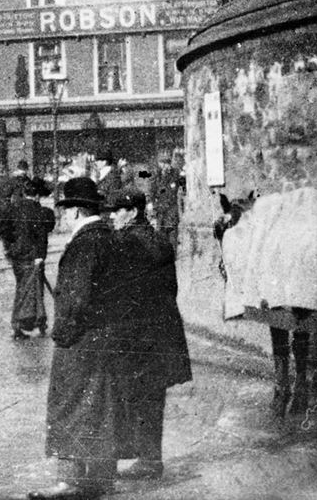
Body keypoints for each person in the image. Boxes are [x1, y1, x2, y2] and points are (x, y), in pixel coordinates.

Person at [29, 177, 118, 500]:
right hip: (105, 337)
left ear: (78, 212)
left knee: (69, 403)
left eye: (66, 212)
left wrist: (62, 334)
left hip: (80, 341)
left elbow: (76, 299)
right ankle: (100, 477)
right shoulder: (110, 238)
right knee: (100, 405)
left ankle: (68, 480)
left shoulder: (84, 244)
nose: (64, 218)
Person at [105, 189, 192, 480]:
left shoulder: (125, 242)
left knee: (132, 395)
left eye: (117, 210)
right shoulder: (159, 240)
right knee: (152, 397)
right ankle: (150, 457)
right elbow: (171, 287)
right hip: (163, 330)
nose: (112, 215)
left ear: (131, 212)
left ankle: (144, 459)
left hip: (137, 333)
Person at [0, 177, 56, 340]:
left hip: (17, 255)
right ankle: (29, 320)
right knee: (33, 289)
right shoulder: (39, 211)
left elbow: (2, 227)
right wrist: (40, 256)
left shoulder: (13, 209)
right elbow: (42, 236)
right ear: (36, 195)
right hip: (32, 255)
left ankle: (26, 322)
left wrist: (10, 246)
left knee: (22, 286)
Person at [150, 155, 182, 247]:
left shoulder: (175, 174)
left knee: (172, 239)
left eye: (166, 164)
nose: (164, 166)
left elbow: (177, 190)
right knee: (160, 239)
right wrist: (152, 205)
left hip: (171, 212)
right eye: (162, 164)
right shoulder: (157, 175)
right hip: (160, 213)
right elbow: (152, 191)